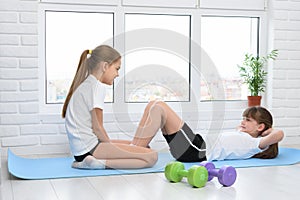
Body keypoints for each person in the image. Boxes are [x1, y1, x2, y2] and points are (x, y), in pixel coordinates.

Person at [62, 45, 158, 169]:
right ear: (105, 66)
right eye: (117, 69)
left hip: (82, 150)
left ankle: (92, 161)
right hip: (90, 149)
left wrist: (117, 149)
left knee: (141, 147)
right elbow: (98, 128)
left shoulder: (87, 84)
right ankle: (96, 164)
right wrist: (111, 148)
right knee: (152, 156)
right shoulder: (96, 87)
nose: (117, 74)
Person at [130, 100, 284, 162]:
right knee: (153, 105)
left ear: (261, 127)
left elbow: (279, 134)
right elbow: (242, 128)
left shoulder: (255, 143)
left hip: (197, 149)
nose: (243, 122)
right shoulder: (242, 134)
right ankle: (134, 148)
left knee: (159, 106)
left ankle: (134, 152)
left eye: (248, 120)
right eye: (243, 118)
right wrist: (247, 127)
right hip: (195, 145)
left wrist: (269, 131)